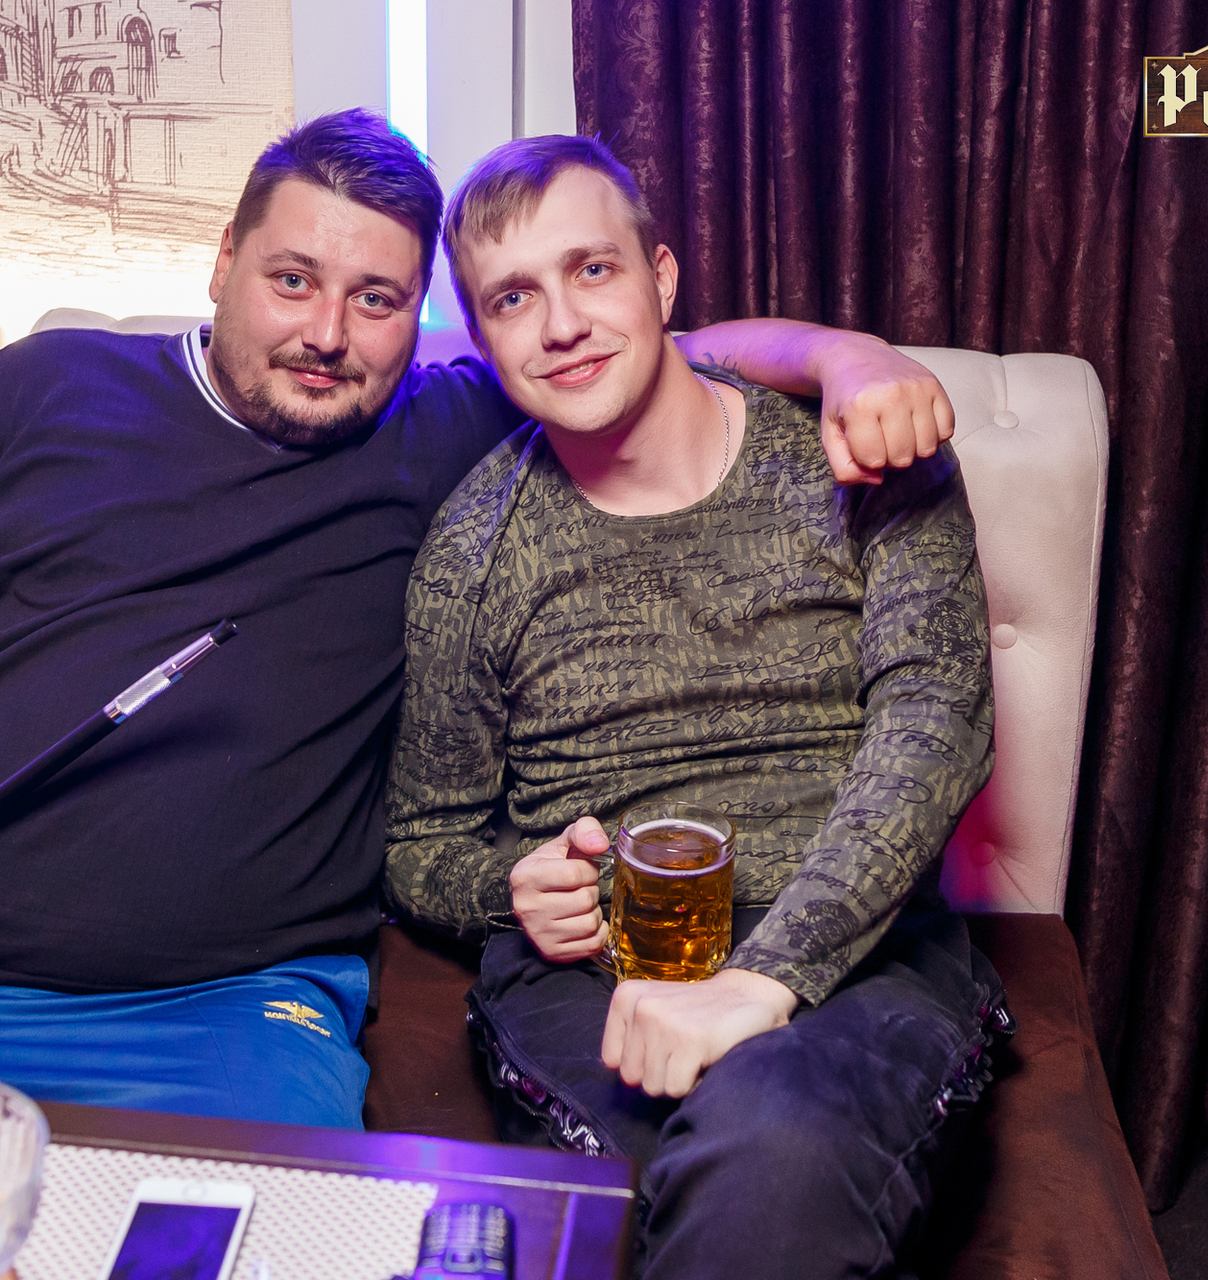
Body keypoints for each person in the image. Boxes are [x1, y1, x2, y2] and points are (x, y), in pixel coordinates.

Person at [0, 110, 955, 1130]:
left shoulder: (445, 430)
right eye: (292, 279)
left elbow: (657, 348)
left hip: (210, 1019)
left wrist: (854, 359)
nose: (328, 333)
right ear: (222, 262)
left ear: (418, 317)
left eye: (376, 299)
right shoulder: (43, 385)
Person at [383, 133, 1008, 1275]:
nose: (561, 323)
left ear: (661, 279)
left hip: (860, 946)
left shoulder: (861, 451)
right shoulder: (474, 549)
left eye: (593, 269)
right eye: (513, 297)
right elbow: (423, 847)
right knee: (694, 1196)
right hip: (594, 975)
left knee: (777, 1150)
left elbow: (936, 722)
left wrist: (766, 978)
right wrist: (509, 887)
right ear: (480, 338)